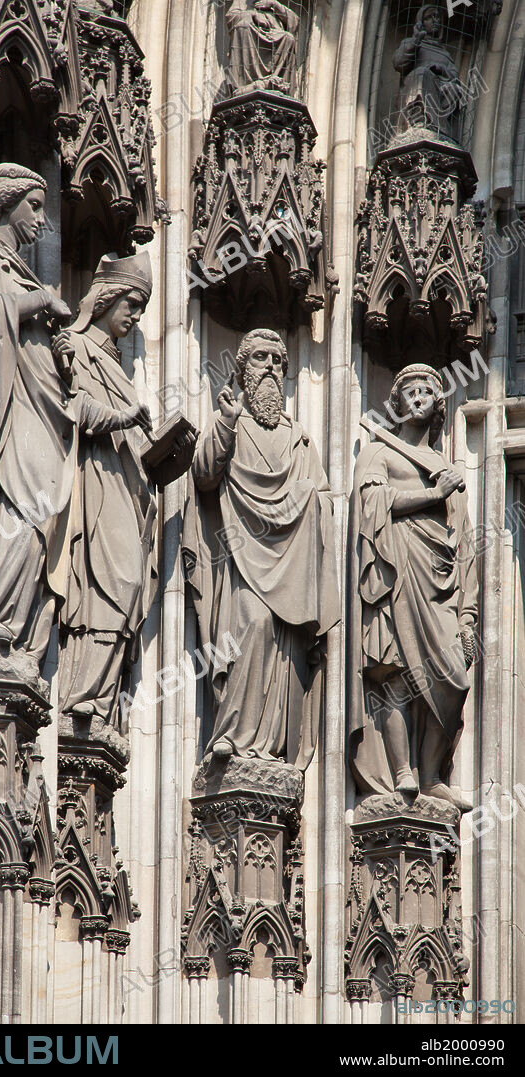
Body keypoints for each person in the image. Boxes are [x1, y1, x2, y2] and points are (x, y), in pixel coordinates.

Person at [182, 328, 339, 770]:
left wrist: (310, 499)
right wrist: (226, 422)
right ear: (242, 371)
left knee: (285, 651)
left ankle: (270, 749)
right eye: (259, 359)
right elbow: (204, 473)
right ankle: (232, 732)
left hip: (292, 565)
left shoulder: (299, 439)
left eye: (277, 360)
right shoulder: (232, 425)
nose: (270, 366)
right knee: (253, 623)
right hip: (244, 563)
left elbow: (324, 498)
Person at [53, 253, 197, 728]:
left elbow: (138, 450)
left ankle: (103, 697)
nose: (135, 317)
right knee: (113, 583)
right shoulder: (75, 345)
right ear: (107, 298)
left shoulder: (115, 363)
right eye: (132, 304)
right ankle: (81, 693)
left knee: (131, 587)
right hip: (95, 482)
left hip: (129, 488)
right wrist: (126, 417)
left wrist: (172, 455)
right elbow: (76, 409)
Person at [0, 163, 77, 658]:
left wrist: (63, 349)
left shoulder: (23, 271)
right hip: (3, 405)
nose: (42, 220)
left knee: (42, 510)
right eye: (34, 206)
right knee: (16, 505)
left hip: (39, 406)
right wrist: (41, 299)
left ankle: (12, 626)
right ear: (5, 204)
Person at [349, 364, 478, 810]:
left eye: (427, 391)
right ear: (398, 403)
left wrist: (467, 614)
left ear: (439, 406)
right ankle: (402, 771)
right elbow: (371, 506)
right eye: (410, 391)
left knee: (454, 679)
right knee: (397, 672)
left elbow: (463, 544)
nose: (419, 397)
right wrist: (432, 495)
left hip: (439, 581)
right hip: (395, 572)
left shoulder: (446, 468)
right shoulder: (378, 453)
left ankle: (431, 774)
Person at [393, 4, 463, 139]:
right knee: (422, 74)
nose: (435, 21)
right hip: (417, 84)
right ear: (421, 22)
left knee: (454, 89)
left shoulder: (444, 53)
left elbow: (454, 76)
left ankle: (439, 126)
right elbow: (399, 63)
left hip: (439, 89)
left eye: (437, 17)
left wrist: (440, 68)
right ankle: (419, 119)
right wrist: (415, 41)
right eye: (429, 17)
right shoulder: (411, 43)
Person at [226, 0, 299, 94]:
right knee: (243, 26)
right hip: (251, 35)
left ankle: (277, 83)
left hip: (275, 37)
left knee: (289, 38)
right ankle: (244, 84)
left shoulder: (274, 4)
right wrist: (253, 15)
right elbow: (231, 16)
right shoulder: (243, 2)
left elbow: (294, 22)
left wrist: (275, 5)